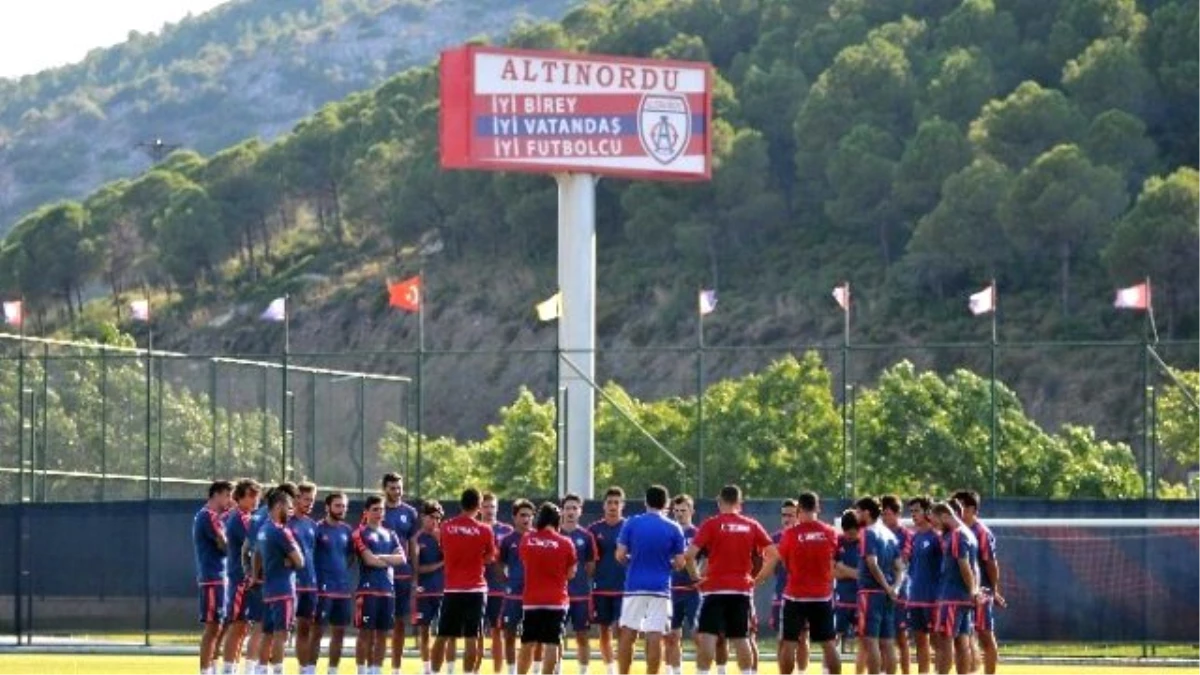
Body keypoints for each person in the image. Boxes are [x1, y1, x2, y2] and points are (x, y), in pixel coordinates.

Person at [684, 484, 775, 675]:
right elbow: (773, 555)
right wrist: (757, 580)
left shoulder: (711, 524)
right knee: (741, 637)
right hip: (741, 589)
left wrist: (696, 578)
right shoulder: (751, 524)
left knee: (708, 635)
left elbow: (689, 555)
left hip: (715, 588)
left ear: (720, 502)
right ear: (739, 503)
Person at [756, 491, 840, 675]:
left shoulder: (791, 534)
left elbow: (778, 561)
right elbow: (834, 562)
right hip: (822, 597)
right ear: (818, 507)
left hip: (795, 596)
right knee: (829, 645)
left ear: (799, 509)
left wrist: (756, 581)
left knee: (789, 643)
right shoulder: (830, 532)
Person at [615, 485, 687, 675]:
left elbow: (620, 555)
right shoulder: (674, 527)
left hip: (634, 586)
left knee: (628, 633)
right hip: (660, 588)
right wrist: (666, 564)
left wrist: (633, 560)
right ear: (667, 503)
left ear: (645, 501)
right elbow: (680, 562)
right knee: (655, 634)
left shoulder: (632, 523)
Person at [433, 487, 498, 675]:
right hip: (476, 590)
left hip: (452, 589)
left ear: (461, 503)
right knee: (472, 636)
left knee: (442, 635)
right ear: (478, 506)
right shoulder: (485, 530)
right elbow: (489, 558)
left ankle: (434, 672)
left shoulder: (445, 527)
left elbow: (444, 550)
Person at [518, 502, 578, 675]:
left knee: (527, 642)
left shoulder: (527, 539)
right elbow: (572, 573)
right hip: (556, 600)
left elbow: (525, 562)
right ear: (558, 520)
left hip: (532, 600)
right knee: (552, 642)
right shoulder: (566, 542)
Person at [353, 494, 410, 675]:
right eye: (375, 509)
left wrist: (381, 558)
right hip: (367, 591)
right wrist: (387, 560)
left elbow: (402, 558)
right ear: (366, 512)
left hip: (388, 591)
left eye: (382, 509)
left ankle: (376, 671)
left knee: (383, 635)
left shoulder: (390, 534)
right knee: (365, 635)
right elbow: (369, 561)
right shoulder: (360, 532)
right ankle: (362, 671)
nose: (379, 513)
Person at [951, 490, 1004, 675]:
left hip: (980, 592)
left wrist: (993, 591)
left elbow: (991, 563)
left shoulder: (981, 532)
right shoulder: (955, 531)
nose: (956, 511)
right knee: (962, 637)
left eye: (960, 506)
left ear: (972, 509)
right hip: (960, 593)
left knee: (985, 635)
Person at [256, 486, 305, 675]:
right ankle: (278, 671)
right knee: (281, 634)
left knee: (267, 634)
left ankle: (261, 671)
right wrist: (291, 559)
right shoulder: (281, 531)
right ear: (278, 506)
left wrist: (255, 574)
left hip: (268, 591)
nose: (291, 511)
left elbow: (256, 556)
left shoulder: (263, 530)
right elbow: (300, 561)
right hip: (283, 590)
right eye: (289, 507)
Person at [855, 496, 906, 675]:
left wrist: (886, 587)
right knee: (887, 642)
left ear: (867, 513)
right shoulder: (890, 534)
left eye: (858, 511)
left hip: (870, 593)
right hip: (887, 596)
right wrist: (895, 588)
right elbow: (900, 566)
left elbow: (871, 562)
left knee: (870, 642)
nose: (856, 514)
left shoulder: (868, 532)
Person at [930, 501, 980, 675]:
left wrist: (973, 590)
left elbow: (965, 565)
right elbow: (975, 568)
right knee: (961, 643)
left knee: (945, 641)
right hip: (963, 598)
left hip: (952, 597)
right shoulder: (969, 533)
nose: (934, 526)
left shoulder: (957, 535)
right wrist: (973, 591)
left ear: (945, 516)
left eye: (935, 521)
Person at [221, 479, 261, 675]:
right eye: (251, 496)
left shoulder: (244, 516)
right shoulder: (240, 518)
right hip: (240, 579)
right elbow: (254, 544)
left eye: (257, 496)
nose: (255, 500)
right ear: (239, 498)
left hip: (245, 578)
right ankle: (229, 670)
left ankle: (235, 668)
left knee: (243, 626)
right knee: (238, 626)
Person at [382, 473, 420, 675]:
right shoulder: (376, 510)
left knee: (399, 623)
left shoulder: (411, 512)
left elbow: (413, 546)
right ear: (384, 489)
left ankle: (396, 669)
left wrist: (415, 575)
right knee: (377, 626)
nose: (396, 491)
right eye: (392, 488)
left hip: (403, 576)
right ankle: (373, 668)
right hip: (380, 575)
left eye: (399, 487)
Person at [314, 491, 355, 675]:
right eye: (338, 505)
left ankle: (332, 671)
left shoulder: (347, 530)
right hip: (322, 590)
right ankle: (309, 671)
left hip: (343, 590)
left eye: (344, 506)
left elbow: (350, 556)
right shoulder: (317, 529)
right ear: (327, 507)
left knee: (339, 633)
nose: (341, 509)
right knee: (317, 633)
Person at [194, 480, 233, 675]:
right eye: (227, 495)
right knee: (213, 628)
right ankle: (205, 671)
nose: (230, 500)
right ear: (216, 494)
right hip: (212, 578)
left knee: (222, 625)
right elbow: (225, 546)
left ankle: (214, 668)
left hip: (221, 578)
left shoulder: (217, 517)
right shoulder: (207, 516)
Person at [588, 487, 627, 675]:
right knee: (604, 631)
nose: (613, 506)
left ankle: (622, 668)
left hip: (625, 588)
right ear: (604, 505)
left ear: (622, 505)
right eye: (610, 502)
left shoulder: (629, 527)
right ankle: (610, 669)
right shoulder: (594, 530)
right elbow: (588, 560)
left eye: (617, 502)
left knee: (623, 630)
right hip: (601, 587)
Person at [560, 493, 598, 675]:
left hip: (581, 594)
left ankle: (583, 672)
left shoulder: (586, 536)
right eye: (567, 508)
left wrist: (580, 577)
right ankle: (555, 670)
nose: (571, 511)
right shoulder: (554, 534)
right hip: (557, 595)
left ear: (580, 511)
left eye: (574, 508)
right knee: (555, 636)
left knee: (582, 635)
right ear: (562, 510)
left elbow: (591, 566)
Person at [905, 497, 943, 675]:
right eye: (911, 511)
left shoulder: (937, 537)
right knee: (920, 642)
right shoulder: (914, 537)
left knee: (938, 642)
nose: (913, 515)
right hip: (915, 598)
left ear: (928, 512)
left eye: (917, 511)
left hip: (933, 598)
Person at [499, 500, 536, 675]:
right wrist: (508, 580)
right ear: (514, 517)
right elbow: (499, 564)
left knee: (535, 637)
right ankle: (512, 671)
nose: (526, 519)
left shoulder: (539, 538)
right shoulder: (507, 540)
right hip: (513, 595)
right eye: (522, 515)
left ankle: (536, 670)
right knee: (509, 634)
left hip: (534, 596)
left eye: (529, 515)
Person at [480, 492, 515, 675]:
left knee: (497, 632)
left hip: (499, 589)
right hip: (476, 588)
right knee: (476, 634)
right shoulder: (474, 529)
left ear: (497, 508)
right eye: (485, 506)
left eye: (492, 506)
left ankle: (497, 672)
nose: (489, 510)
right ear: (479, 508)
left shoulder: (507, 531)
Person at [290, 482, 321, 675]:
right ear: (296, 498)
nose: (310, 503)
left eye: (312, 500)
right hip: (291, 584)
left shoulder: (312, 525)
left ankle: (306, 671)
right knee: (282, 631)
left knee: (307, 629)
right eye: (306, 499)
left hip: (310, 584)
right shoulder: (286, 522)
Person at [882, 494, 914, 675]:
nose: (885, 518)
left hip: (900, 592)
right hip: (881, 591)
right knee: (881, 638)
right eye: (883, 514)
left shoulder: (907, 535)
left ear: (897, 514)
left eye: (888, 514)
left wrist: (895, 585)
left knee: (901, 638)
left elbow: (902, 560)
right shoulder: (877, 534)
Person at [666, 494, 698, 675]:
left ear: (692, 511)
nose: (679, 514)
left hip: (693, 591)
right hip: (671, 591)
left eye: (683, 510)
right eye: (676, 511)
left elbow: (708, 557)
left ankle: (702, 670)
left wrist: (700, 576)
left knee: (699, 635)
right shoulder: (668, 532)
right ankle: (674, 672)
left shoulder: (698, 533)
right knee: (671, 636)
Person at [415, 500, 447, 675]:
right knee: (424, 631)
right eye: (431, 517)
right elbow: (417, 568)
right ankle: (426, 669)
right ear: (423, 517)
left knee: (444, 633)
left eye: (438, 518)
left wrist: (441, 543)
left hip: (444, 591)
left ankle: (439, 668)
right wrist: (441, 563)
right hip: (424, 591)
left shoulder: (444, 537)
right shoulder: (417, 539)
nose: (435, 521)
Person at [833, 510, 862, 672]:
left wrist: (843, 568)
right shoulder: (838, 542)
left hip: (861, 600)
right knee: (832, 639)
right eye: (846, 532)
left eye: (852, 533)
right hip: (841, 599)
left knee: (864, 642)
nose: (849, 536)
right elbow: (831, 571)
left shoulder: (866, 543)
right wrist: (855, 573)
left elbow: (866, 574)